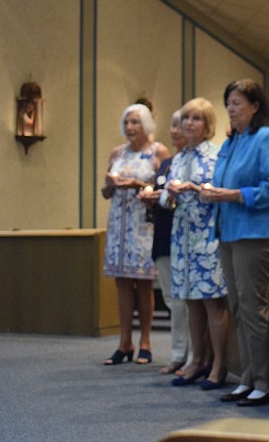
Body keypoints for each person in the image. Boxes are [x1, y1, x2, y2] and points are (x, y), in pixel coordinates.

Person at [202, 79, 269, 407]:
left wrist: (236, 195)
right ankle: (248, 377)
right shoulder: (232, 140)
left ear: (255, 106)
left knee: (253, 307)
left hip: (255, 233)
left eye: (237, 103)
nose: (231, 109)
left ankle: (267, 382)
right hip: (229, 231)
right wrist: (212, 192)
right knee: (237, 307)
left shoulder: (266, 137)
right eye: (228, 103)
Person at [165, 98, 228, 390]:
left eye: (196, 118)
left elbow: (221, 191)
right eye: (186, 118)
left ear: (207, 124)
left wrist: (194, 188)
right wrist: (169, 195)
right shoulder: (179, 158)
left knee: (212, 301)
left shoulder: (216, 155)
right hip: (182, 237)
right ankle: (197, 359)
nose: (189, 123)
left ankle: (219, 364)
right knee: (191, 300)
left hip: (208, 234)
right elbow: (166, 199)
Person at [101, 103, 170, 365]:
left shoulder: (157, 151)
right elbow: (106, 192)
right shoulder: (117, 153)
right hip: (119, 224)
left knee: (143, 283)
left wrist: (138, 184)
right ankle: (124, 342)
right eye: (127, 122)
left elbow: (164, 187)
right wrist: (110, 185)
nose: (130, 127)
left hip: (143, 223)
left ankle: (146, 342)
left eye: (135, 122)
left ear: (146, 124)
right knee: (122, 282)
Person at [139, 110, 191, 375]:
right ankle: (178, 354)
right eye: (172, 125)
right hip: (162, 236)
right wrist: (151, 200)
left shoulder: (195, 163)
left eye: (179, 125)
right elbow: (163, 200)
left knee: (186, 301)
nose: (174, 131)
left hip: (184, 237)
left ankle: (191, 356)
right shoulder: (166, 164)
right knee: (171, 299)